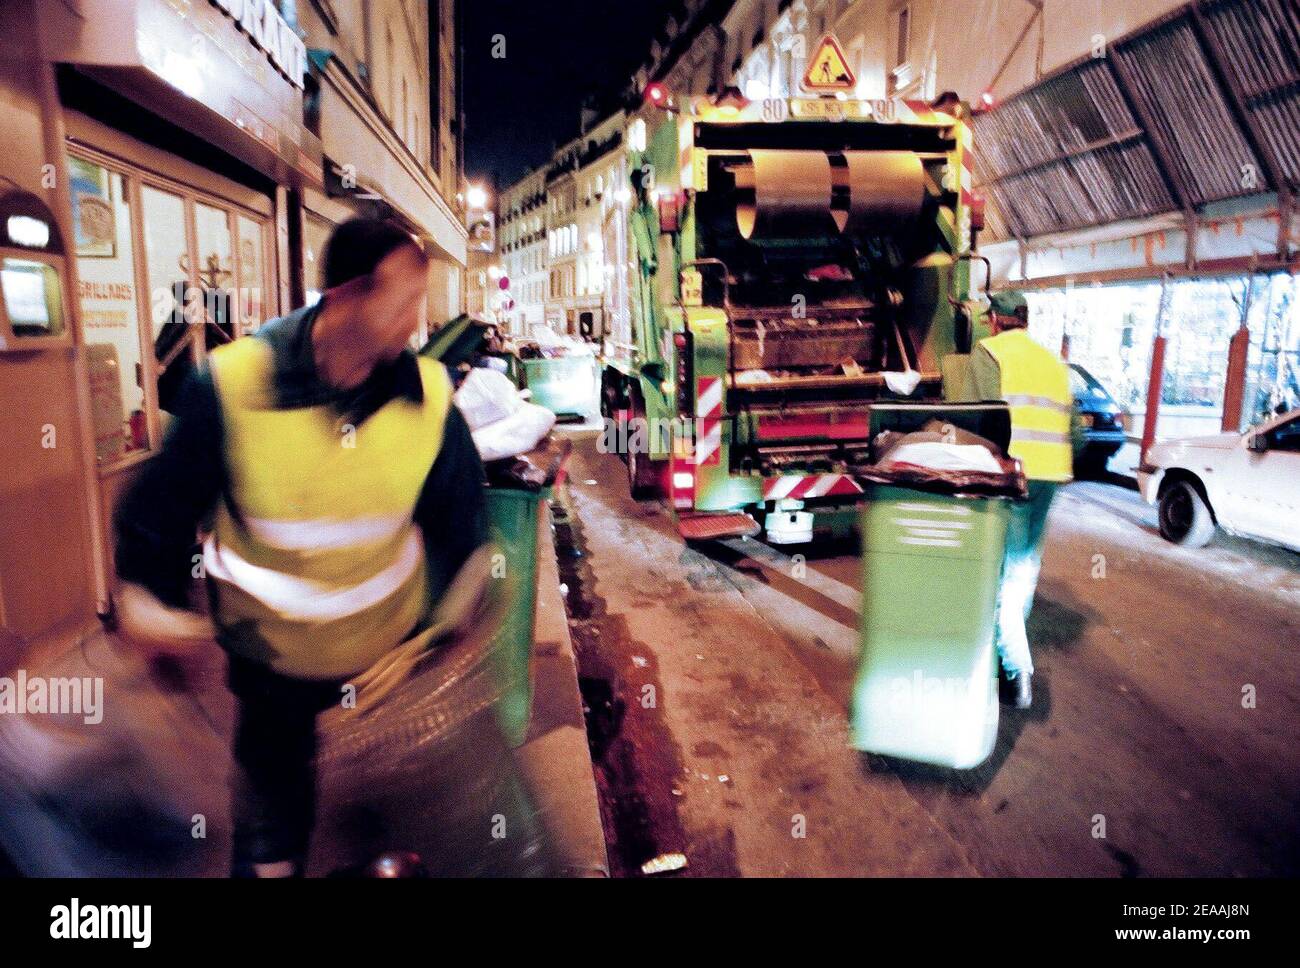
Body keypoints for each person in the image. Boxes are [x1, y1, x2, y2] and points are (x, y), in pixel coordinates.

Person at [112, 217, 488, 877]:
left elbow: (463, 524)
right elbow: (157, 515)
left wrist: (453, 615)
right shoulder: (233, 385)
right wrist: (148, 600)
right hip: (272, 681)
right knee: (269, 850)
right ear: (345, 294)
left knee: (387, 850)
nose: (416, 321)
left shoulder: (428, 397)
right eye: (403, 301)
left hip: (383, 678)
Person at [968, 290, 1073, 709]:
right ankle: (1008, 646)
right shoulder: (1053, 362)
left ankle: (1015, 671)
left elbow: (980, 418)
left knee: (1005, 576)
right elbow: (1075, 431)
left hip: (1013, 475)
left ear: (994, 320)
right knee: (1024, 567)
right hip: (1051, 474)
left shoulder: (989, 353)